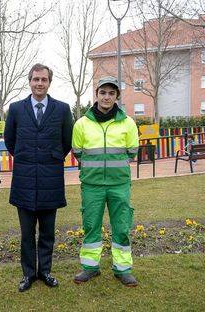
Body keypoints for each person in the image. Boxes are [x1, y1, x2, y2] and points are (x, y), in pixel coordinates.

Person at [4, 63, 73, 292]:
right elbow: (10, 141)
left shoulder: (62, 109)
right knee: (26, 234)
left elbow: (66, 142)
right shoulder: (15, 109)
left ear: (49, 82)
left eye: (43, 79)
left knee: (47, 232)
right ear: (29, 81)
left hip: (50, 180)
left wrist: (48, 159)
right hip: (24, 181)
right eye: (36, 79)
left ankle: (45, 271)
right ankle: (28, 275)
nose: (39, 83)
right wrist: (28, 159)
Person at [71, 76, 139, 287]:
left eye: (111, 93)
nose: (106, 97)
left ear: (117, 96)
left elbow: (132, 152)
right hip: (92, 186)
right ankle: (90, 267)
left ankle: (123, 269)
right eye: (103, 92)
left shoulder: (128, 123)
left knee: (121, 227)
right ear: (97, 95)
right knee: (91, 225)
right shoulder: (81, 123)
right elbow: (78, 152)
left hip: (119, 185)